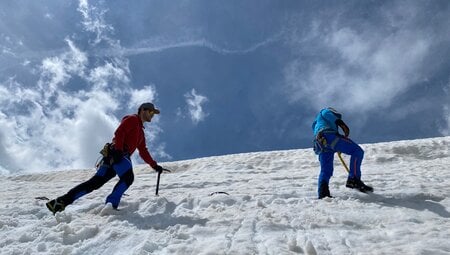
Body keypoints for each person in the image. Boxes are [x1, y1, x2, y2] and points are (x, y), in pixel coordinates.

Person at [46, 102, 165, 214]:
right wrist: (118, 150)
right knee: (128, 178)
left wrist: (154, 165)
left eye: (153, 113)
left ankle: (60, 202)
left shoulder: (141, 133)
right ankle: (111, 205)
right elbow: (120, 132)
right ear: (143, 110)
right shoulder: (133, 119)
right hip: (119, 153)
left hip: (111, 156)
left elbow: (143, 151)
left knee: (95, 183)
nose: (152, 115)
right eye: (151, 112)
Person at [312, 107, 373, 199]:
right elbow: (328, 115)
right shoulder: (324, 111)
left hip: (320, 143)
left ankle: (323, 193)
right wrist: (342, 124)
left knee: (326, 170)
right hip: (329, 136)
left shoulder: (317, 123)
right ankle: (354, 179)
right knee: (357, 151)